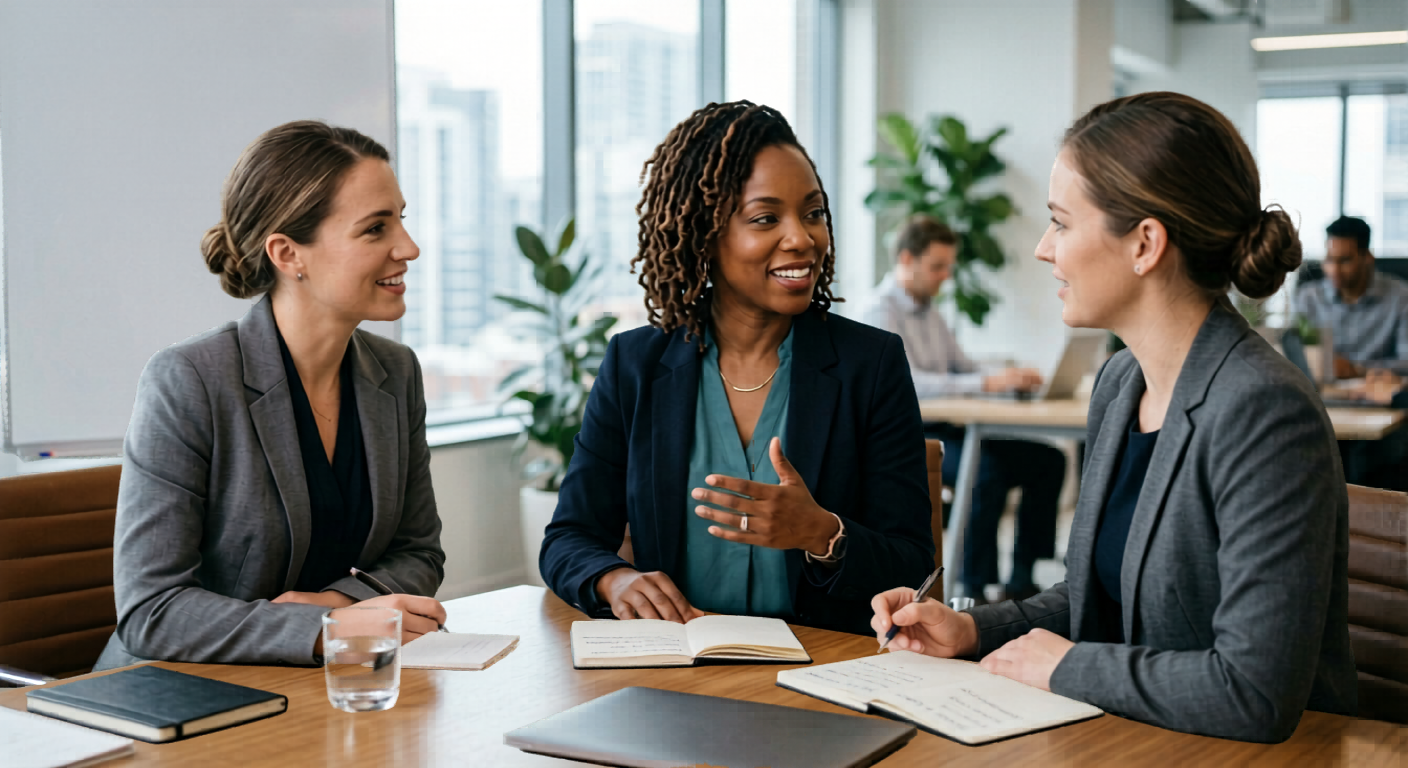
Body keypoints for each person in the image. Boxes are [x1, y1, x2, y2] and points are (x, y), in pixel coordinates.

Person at [870, 92, 1357, 743]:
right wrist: (972, 627)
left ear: (1145, 244)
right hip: (1140, 738)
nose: (1045, 249)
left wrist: (1069, 665)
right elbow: (1090, 598)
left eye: (1061, 223)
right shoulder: (1122, 380)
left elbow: (1254, 693)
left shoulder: (1264, 410)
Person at [539, 101, 933, 636]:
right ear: (706, 234)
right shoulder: (634, 365)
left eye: (813, 213)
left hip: (822, 672)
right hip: (675, 672)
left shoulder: (871, 364)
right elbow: (569, 538)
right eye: (766, 218)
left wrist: (824, 534)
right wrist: (614, 580)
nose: (802, 238)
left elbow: (913, 563)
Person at [95, 121, 447, 670]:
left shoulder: (395, 372)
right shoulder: (190, 379)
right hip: (180, 697)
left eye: (401, 219)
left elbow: (418, 551)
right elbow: (152, 611)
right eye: (375, 229)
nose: (409, 247)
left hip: (332, 686)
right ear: (288, 254)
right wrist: (322, 629)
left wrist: (337, 606)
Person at [860, 215, 1065, 603]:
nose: (945, 277)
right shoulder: (879, 312)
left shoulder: (929, 312)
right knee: (985, 470)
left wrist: (1009, 376)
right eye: (937, 267)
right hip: (910, 437)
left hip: (950, 427)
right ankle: (972, 587)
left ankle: (1021, 578)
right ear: (906, 259)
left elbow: (964, 368)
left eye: (948, 267)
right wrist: (989, 383)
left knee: (1048, 460)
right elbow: (912, 385)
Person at [1294, 216, 1408, 378]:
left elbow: (1406, 361)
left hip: (1376, 392)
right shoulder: (1309, 298)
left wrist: (1357, 368)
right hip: (1320, 393)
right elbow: (1297, 354)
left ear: (1367, 257)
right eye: (1329, 259)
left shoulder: (1402, 298)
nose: (1334, 270)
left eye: (1345, 260)